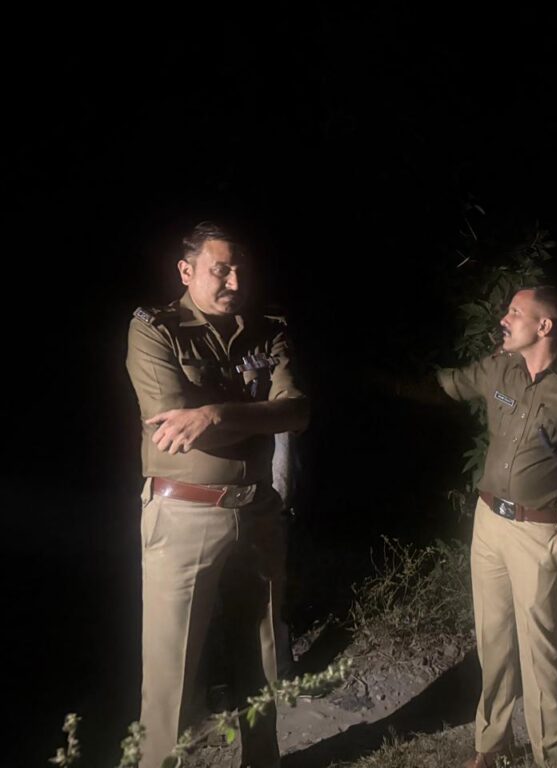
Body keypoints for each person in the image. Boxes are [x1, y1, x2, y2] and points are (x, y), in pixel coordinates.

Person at [126, 222, 309, 768]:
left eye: (240, 270)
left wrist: (213, 413)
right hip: (185, 512)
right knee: (172, 673)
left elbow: (297, 411)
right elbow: (174, 427)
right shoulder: (154, 329)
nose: (235, 281)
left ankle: (263, 761)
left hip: (256, 509)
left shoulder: (268, 330)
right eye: (221, 270)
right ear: (186, 271)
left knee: (262, 656)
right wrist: (255, 417)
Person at [437, 286, 557, 768]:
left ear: (544, 326)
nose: (504, 319)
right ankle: (491, 743)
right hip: (488, 522)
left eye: (515, 312)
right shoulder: (499, 368)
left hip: (537, 532)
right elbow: (446, 384)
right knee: (493, 640)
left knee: (539, 649)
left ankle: (551, 756)